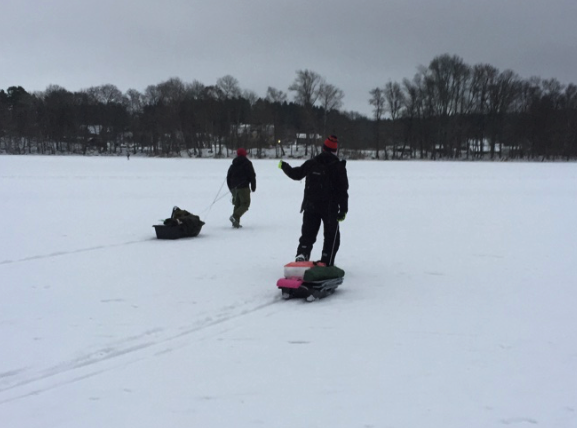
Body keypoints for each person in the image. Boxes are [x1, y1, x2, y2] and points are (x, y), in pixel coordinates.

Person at [279, 135, 349, 266]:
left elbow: (296, 174)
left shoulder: (312, 163)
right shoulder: (338, 166)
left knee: (307, 235)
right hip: (330, 208)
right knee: (331, 237)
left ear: (323, 149)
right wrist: (343, 209)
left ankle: (302, 255)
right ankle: (326, 261)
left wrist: (284, 166)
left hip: (310, 206)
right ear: (335, 151)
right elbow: (343, 190)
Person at [226, 148, 256, 228]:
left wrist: (231, 188)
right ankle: (234, 216)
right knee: (245, 204)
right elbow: (252, 175)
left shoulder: (233, 164)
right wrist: (253, 186)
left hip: (234, 188)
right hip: (244, 187)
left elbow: (228, 177)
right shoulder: (247, 163)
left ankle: (235, 223)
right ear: (245, 154)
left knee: (237, 204)